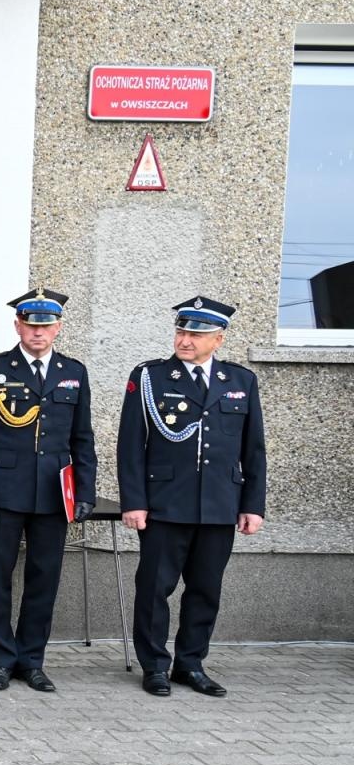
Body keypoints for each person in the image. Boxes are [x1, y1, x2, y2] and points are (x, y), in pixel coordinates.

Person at [117, 296, 266, 698]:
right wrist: (134, 500)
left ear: (218, 339)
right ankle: (155, 666)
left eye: (196, 334)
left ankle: (191, 664)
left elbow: (253, 449)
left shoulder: (240, 381)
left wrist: (252, 505)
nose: (185, 340)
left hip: (220, 504)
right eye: (181, 331)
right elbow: (130, 445)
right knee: (154, 589)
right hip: (166, 501)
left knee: (205, 589)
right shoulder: (151, 376)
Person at [0, 288, 97, 693]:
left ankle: (31, 660)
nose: (37, 332)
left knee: (44, 579)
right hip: (4, 492)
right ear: (17, 326)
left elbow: (82, 438)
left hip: (53, 494)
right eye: (30, 324)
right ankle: (1, 660)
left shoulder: (73, 372)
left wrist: (86, 491)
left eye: (45, 325)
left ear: (57, 328)